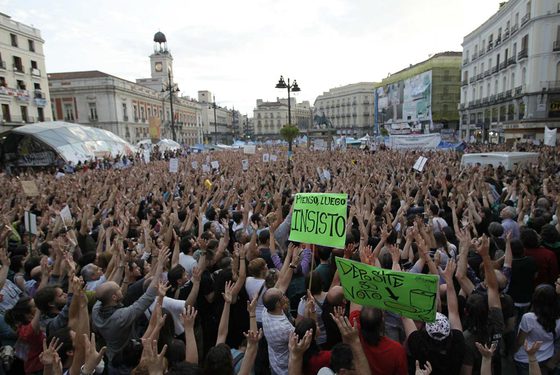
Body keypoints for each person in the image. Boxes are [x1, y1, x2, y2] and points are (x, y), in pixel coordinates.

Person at [92, 248, 167, 374]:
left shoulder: (96, 308)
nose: (122, 289)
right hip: (126, 362)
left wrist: (121, 266)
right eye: (119, 289)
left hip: (112, 358)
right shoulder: (121, 317)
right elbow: (147, 297)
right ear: (114, 297)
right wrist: (159, 266)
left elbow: (111, 285)